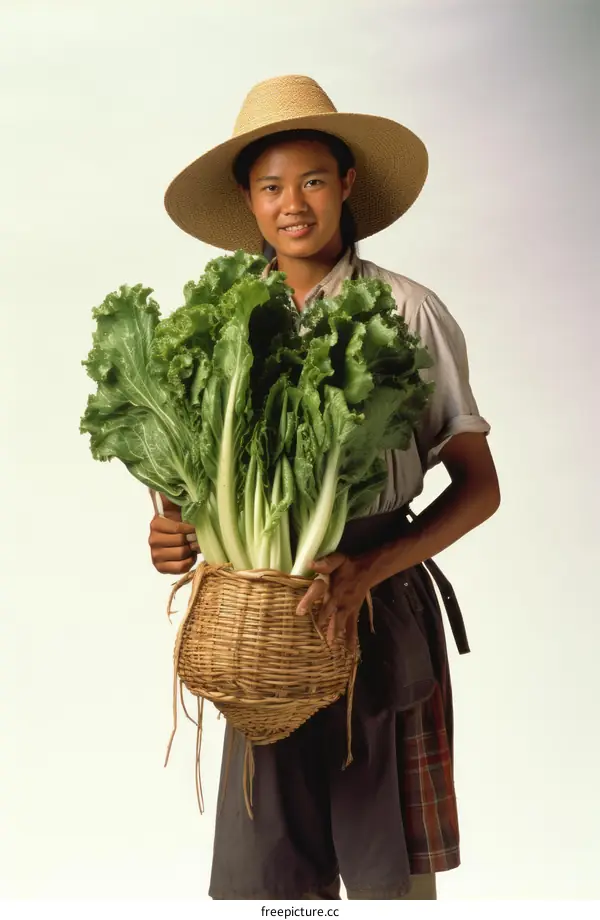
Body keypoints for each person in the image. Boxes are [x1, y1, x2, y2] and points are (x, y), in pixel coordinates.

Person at [148, 75, 500, 900]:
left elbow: (480, 487)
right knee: (276, 883)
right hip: (258, 635)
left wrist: (369, 574)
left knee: (390, 881)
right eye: (271, 186)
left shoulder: (408, 311)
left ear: (346, 185)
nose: (292, 203)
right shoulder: (226, 317)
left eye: (312, 180)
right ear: (248, 199)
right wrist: (173, 528)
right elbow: (192, 478)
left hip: (378, 623)